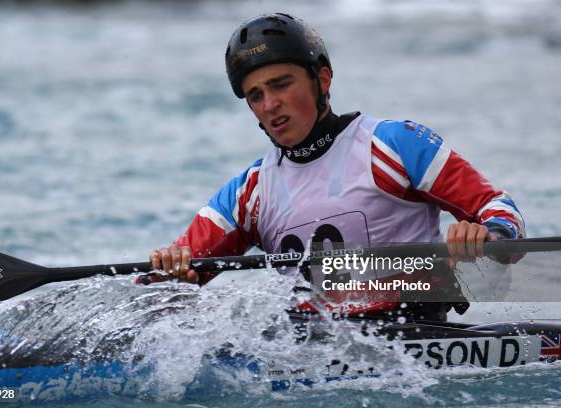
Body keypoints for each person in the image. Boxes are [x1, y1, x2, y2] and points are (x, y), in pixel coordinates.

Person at [140, 13, 525, 320]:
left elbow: (498, 207)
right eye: (256, 95)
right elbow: (164, 284)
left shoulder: (394, 145)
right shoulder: (249, 192)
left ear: (321, 79)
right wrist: (169, 271)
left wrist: (489, 235)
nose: (270, 104)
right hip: (305, 352)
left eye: (281, 84)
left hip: (413, 334)